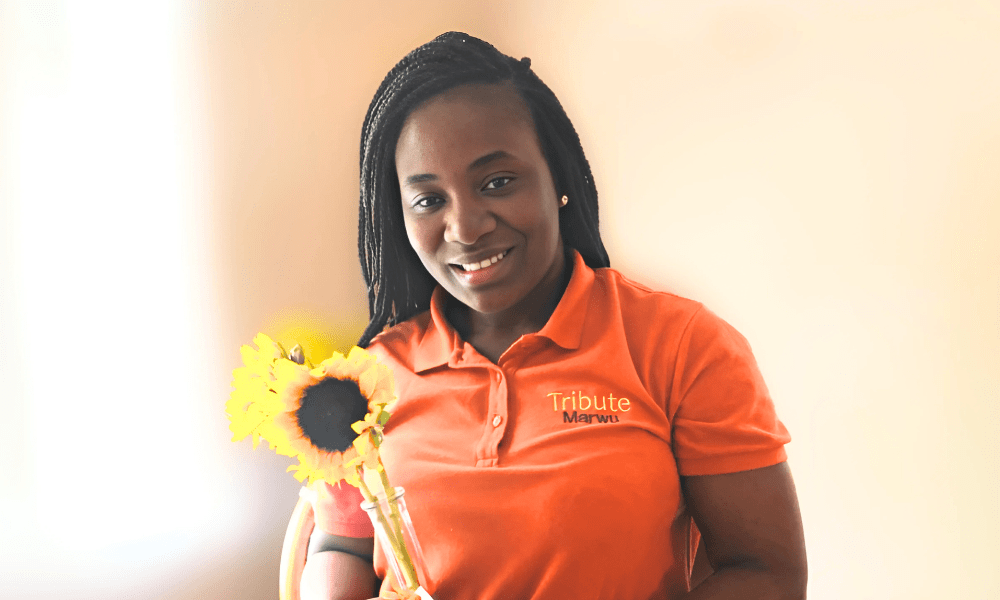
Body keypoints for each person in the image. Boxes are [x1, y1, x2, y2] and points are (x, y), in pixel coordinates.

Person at [301, 32, 807, 600]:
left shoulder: (681, 345)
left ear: (559, 181)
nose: (465, 229)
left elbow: (766, 573)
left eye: (497, 183)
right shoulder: (369, 377)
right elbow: (340, 542)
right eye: (429, 199)